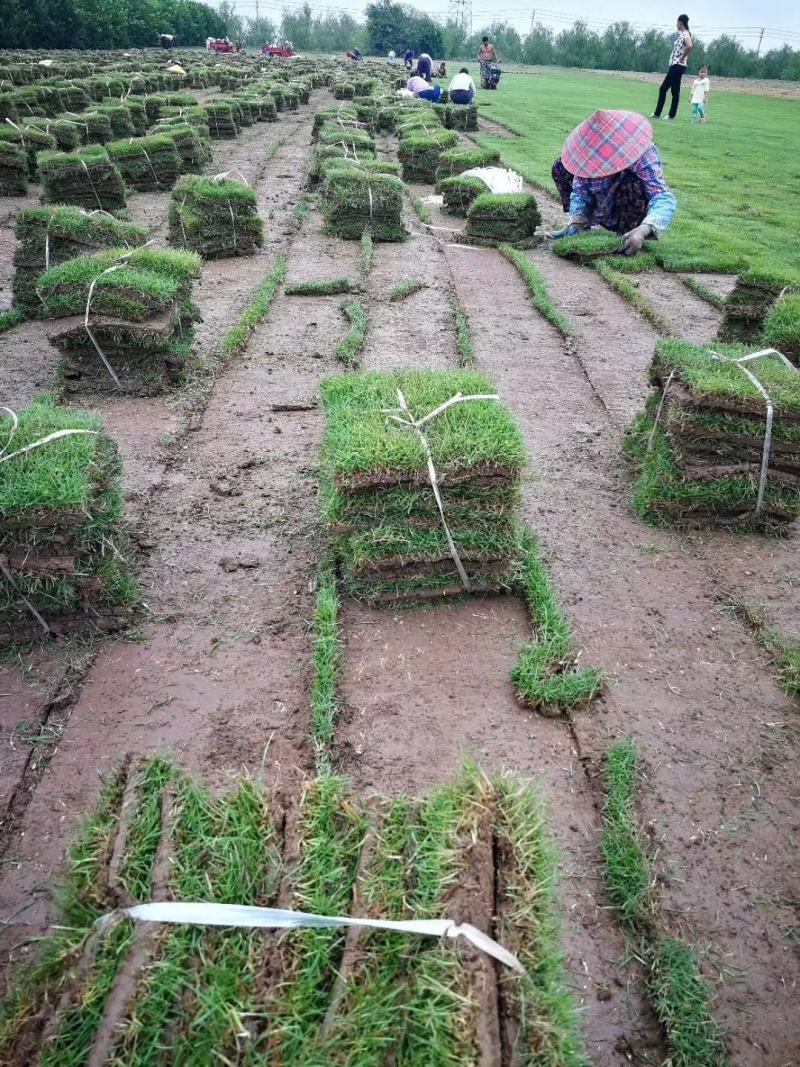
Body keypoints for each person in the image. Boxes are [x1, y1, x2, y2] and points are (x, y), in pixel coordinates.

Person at [550, 109, 677, 256]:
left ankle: (627, 234)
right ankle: (579, 228)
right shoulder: (583, 155)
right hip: (600, 203)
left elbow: (662, 197)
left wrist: (645, 229)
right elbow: (580, 192)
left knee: (631, 183)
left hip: (627, 207)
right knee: (560, 166)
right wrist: (577, 220)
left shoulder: (643, 153)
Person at [652, 15, 693, 121]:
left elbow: (689, 45)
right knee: (675, 91)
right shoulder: (683, 34)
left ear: (680, 23)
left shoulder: (685, 34)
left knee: (663, 89)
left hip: (677, 66)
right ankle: (671, 115)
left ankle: (658, 114)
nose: (676, 25)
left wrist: (682, 58)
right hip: (677, 66)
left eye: (677, 23)